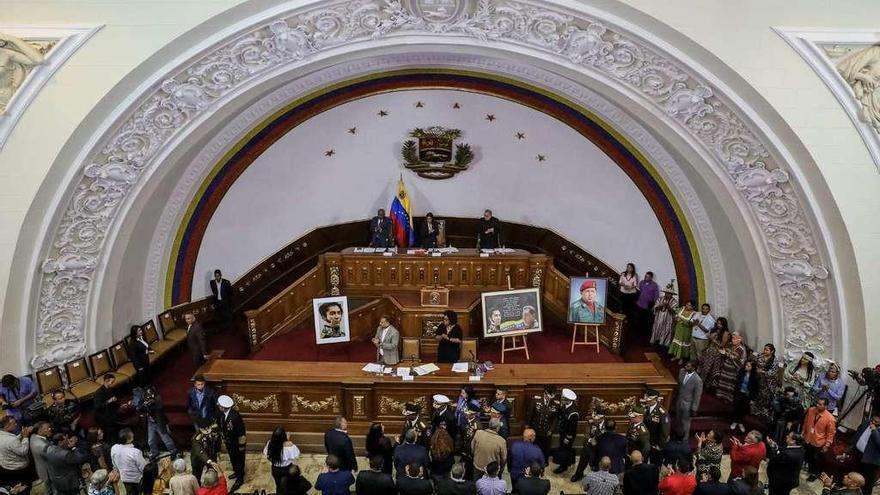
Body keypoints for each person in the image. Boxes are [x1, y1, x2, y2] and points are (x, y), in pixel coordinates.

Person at [134, 386, 178, 459]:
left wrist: (148, 407)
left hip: (159, 422)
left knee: (166, 439)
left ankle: (173, 451)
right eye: (147, 393)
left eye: (150, 393)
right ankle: (154, 452)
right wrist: (144, 407)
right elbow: (139, 409)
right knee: (150, 440)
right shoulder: (144, 398)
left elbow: (159, 407)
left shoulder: (158, 398)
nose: (149, 395)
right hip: (150, 422)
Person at [216, 395, 246, 491]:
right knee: (233, 458)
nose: (218, 406)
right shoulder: (222, 414)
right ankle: (237, 472)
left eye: (220, 405)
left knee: (239, 460)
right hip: (229, 442)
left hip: (237, 444)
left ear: (224, 407)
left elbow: (242, 433)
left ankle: (240, 478)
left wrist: (241, 447)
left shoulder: (235, 417)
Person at [803, 397, 836, 482]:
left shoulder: (830, 418)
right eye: (817, 403)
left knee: (816, 459)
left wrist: (827, 445)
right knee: (809, 455)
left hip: (819, 442)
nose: (818, 405)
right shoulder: (811, 410)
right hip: (808, 438)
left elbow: (830, 433)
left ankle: (815, 474)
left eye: (820, 404)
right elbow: (806, 422)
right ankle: (809, 470)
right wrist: (803, 432)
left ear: (826, 406)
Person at [571, 411, 606, 482]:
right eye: (593, 419)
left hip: (599, 449)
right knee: (582, 461)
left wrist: (597, 442)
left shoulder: (606, 425)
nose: (594, 421)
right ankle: (578, 474)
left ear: (602, 419)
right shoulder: (591, 422)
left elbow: (607, 437)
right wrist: (590, 440)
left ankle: (595, 479)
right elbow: (586, 433)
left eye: (596, 419)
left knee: (595, 465)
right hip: (588, 446)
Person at [697, 317, 732, 389]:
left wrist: (714, 340)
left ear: (724, 325)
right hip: (710, 350)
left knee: (711, 369)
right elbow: (710, 337)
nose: (719, 325)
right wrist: (715, 333)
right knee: (704, 366)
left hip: (716, 353)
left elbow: (722, 345)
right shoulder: (716, 330)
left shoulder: (726, 333)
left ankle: (708, 385)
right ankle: (701, 382)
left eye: (720, 324)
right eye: (718, 323)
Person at [264, 426, 300, 492]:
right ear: (284, 436)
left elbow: (268, 456)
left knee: (278, 486)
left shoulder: (269, 444)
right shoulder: (290, 445)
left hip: (275, 469)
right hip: (287, 469)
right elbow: (296, 455)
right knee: (288, 487)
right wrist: (288, 440)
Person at [850, 414, 880, 495]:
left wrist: (874, 431)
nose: (873, 422)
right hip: (858, 454)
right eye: (872, 420)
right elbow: (858, 432)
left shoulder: (876, 430)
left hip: (870, 461)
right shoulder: (867, 422)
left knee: (867, 482)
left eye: (876, 422)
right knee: (855, 476)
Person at [551, 389, 578, 474]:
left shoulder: (573, 413)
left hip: (567, 435)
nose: (562, 400)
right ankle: (571, 460)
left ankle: (564, 466)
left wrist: (568, 438)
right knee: (567, 448)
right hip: (562, 432)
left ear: (568, 400)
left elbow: (572, 429)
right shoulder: (564, 407)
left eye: (563, 399)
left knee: (565, 450)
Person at [526, 385, 558, 459]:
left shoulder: (556, 403)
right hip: (536, 428)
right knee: (534, 445)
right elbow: (530, 414)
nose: (550, 398)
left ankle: (544, 460)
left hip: (547, 430)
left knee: (546, 447)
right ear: (545, 393)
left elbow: (555, 418)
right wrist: (528, 427)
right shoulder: (536, 400)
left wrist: (551, 430)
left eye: (552, 396)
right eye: (549, 396)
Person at [715, 332, 748, 403]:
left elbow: (736, 359)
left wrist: (726, 353)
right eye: (732, 338)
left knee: (729, 384)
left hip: (733, 369)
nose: (733, 340)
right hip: (726, 366)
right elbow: (725, 350)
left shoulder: (741, 349)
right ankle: (721, 396)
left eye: (735, 339)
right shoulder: (730, 345)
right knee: (723, 381)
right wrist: (723, 351)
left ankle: (727, 399)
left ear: (739, 340)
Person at [111, 428, 146, 495]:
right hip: (137, 479)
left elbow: (114, 463)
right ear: (130, 438)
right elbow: (143, 468)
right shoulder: (135, 452)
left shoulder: (114, 448)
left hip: (124, 478)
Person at [0, 417, 33, 488]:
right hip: (19, 469)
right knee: (24, 487)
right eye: (14, 423)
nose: (16, 424)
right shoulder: (11, 440)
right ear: (7, 426)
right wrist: (25, 437)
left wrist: (21, 435)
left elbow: (11, 443)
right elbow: (23, 451)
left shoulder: (3, 435)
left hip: (6, 467)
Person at [752, 343, 782, 421]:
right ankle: (756, 410)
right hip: (758, 379)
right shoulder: (760, 356)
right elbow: (754, 364)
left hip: (769, 382)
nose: (765, 351)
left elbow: (773, 372)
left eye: (767, 350)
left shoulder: (774, 360)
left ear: (771, 351)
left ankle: (763, 412)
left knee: (766, 397)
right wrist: (756, 370)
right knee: (757, 394)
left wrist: (762, 372)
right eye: (764, 349)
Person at [643, 388, 670, 465]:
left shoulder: (662, 413)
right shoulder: (646, 407)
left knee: (654, 464)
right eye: (646, 397)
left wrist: (660, 446)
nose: (646, 400)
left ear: (655, 399)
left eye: (648, 398)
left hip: (655, 444)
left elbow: (665, 431)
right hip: (646, 441)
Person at [676, 361, 703, 439]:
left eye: (688, 366)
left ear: (693, 368)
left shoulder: (698, 380)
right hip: (679, 401)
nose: (685, 367)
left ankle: (684, 439)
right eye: (686, 365)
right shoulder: (681, 371)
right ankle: (678, 436)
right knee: (678, 419)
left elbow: (697, 396)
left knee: (685, 423)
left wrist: (694, 409)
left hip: (688, 405)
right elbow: (679, 385)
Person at [730, 360, 758, 432]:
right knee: (736, 407)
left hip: (747, 395)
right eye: (746, 365)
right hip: (739, 393)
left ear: (752, 367)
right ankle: (735, 421)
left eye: (749, 366)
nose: (746, 367)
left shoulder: (755, 377)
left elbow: (755, 389)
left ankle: (740, 422)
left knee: (743, 409)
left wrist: (752, 399)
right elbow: (737, 383)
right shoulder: (741, 372)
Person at [190, 418, 221, 482]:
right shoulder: (196, 438)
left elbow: (218, 440)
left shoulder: (215, 429)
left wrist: (218, 451)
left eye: (207, 428)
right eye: (204, 429)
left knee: (213, 474)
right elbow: (200, 451)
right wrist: (209, 461)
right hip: (198, 459)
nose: (206, 430)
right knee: (196, 477)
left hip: (211, 455)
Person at [457, 402, 482, 480]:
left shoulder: (477, 426)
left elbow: (477, 441)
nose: (465, 414)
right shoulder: (466, 420)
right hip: (465, 449)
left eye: (467, 413)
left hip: (471, 452)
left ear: (473, 414)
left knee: (469, 469)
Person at [29, 422, 52, 495]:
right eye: (47, 428)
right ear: (40, 431)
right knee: (49, 489)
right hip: (47, 472)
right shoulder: (42, 446)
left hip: (40, 468)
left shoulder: (33, 436)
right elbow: (54, 458)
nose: (50, 429)